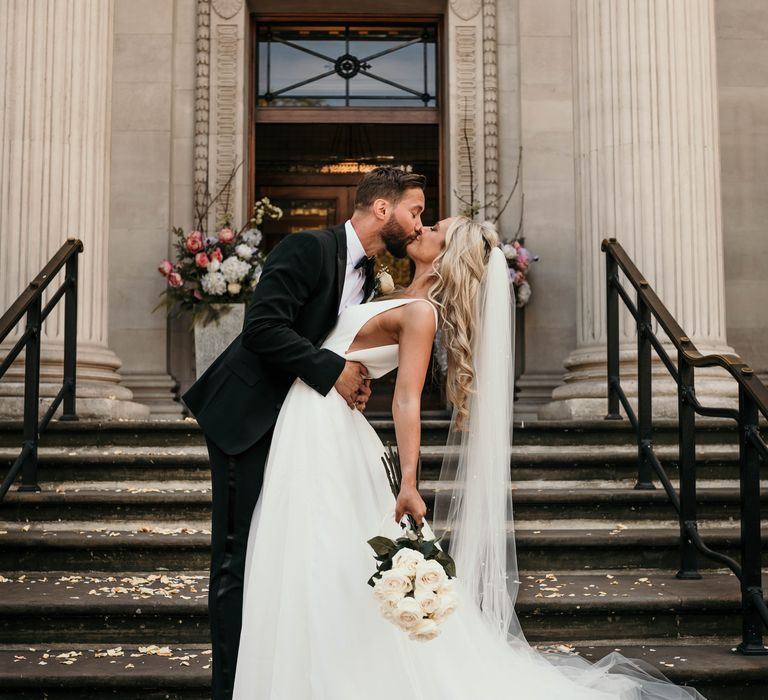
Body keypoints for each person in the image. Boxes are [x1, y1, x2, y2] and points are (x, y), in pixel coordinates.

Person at [232, 216, 705, 699]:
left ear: (448, 251)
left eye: (434, 226)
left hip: (328, 427)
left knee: (319, 551)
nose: (422, 226)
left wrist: (409, 482)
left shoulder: (421, 312)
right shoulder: (385, 285)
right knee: (319, 554)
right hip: (319, 419)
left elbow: (407, 399)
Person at [181, 166, 427, 700]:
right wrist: (332, 371)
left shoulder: (371, 272)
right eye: (415, 211)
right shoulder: (307, 248)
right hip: (247, 417)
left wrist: (350, 380)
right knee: (237, 556)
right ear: (383, 209)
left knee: (280, 553)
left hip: (302, 426)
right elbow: (264, 328)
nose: (416, 224)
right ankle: (230, 688)